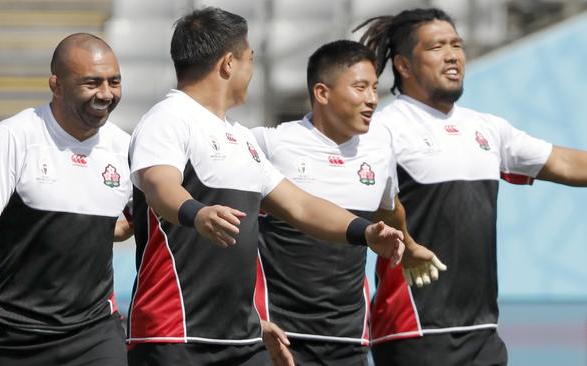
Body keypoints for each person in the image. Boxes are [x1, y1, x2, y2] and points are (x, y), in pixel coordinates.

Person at [127, 7, 408, 366]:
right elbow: (159, 185)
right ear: (229, 64)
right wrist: (197, 214)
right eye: (250, 60)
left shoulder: (240, 139)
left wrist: (364, 232)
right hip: (175, 335)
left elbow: (300, 207)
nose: (252, 71)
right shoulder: (167, 119)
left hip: (242, 336)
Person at [356, 8, 587, 366]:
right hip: (414, 331)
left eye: (457, 44)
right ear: (403, 65)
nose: (452, 55)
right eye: (436, 46)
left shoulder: (488, 129)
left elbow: (565, 163)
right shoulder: (383, 129)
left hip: (483, 333)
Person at [0, 33, 132, 366]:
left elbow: (129, 220)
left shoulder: (125, 147)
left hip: (94, 334)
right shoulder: (15, 137)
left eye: (114, 82)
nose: (105, 93)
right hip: (12, 335)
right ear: (56, 85)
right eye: (91, 83)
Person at [251, 40, 446, 366]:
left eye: (374, 88)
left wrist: (409, 248)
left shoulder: (379, 149)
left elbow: (389, 210)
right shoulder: (271, 144)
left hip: (350, 338)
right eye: (360, 87)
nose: (372, 99)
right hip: (279, 338)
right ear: (322, 93)